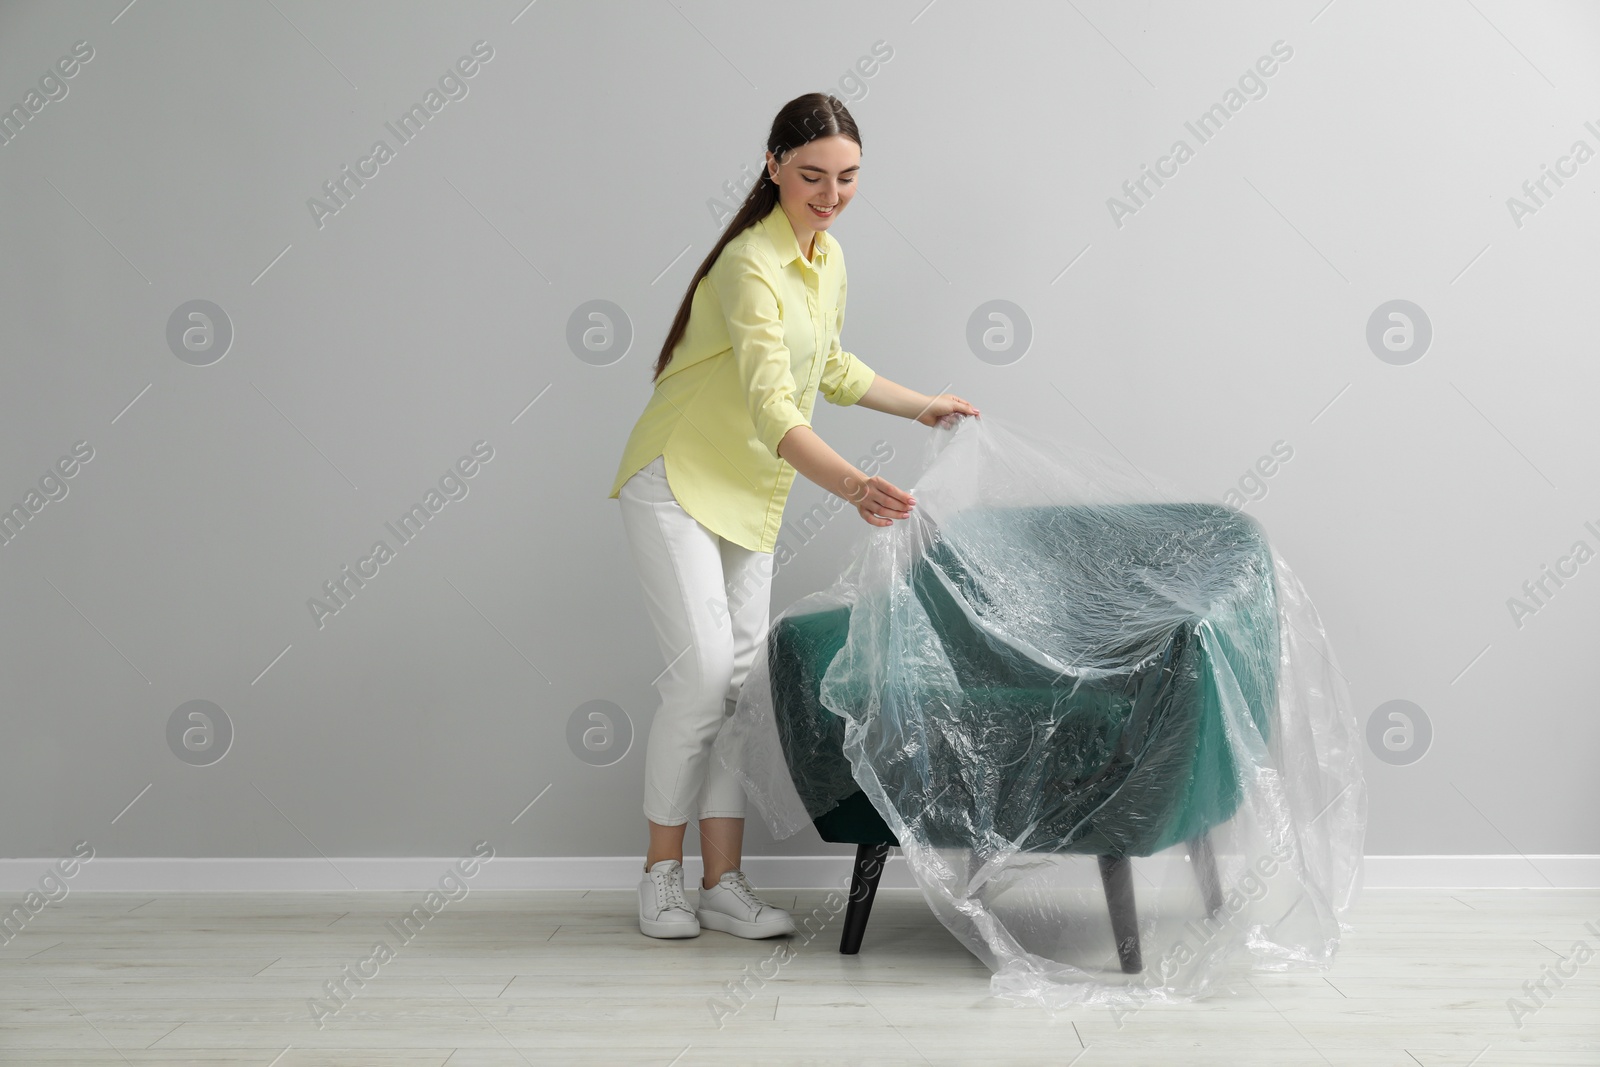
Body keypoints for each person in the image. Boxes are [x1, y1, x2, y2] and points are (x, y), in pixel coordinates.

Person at [608, 92, 980, 940]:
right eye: (812, 175)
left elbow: (833, 365)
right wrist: (855, 486)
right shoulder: (747, 265)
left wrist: (922, 406)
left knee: (740, 695)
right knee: (701, 681)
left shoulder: (826, 257)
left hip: (749, 495)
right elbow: (777, 406)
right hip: (677, 481)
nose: (830, 193)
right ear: (773, 163)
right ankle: (659, 876)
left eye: (848, 178)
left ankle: (722, 884)